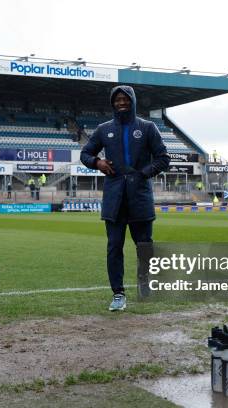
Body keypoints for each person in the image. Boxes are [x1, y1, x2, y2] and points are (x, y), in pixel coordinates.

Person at [80, 85, 169, 311]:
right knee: (114, 247)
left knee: (144, 246)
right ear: (113, 103)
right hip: (114, 199)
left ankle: (144, 281)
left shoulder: (148, 128)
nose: (121, 103)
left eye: (125, 99)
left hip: (140, 196)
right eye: (117, 100)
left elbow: (163, 158)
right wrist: (97, 162)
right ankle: (118, 294)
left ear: (132, 101)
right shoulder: (103, 129)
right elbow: (85, 154)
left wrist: (143, 174)